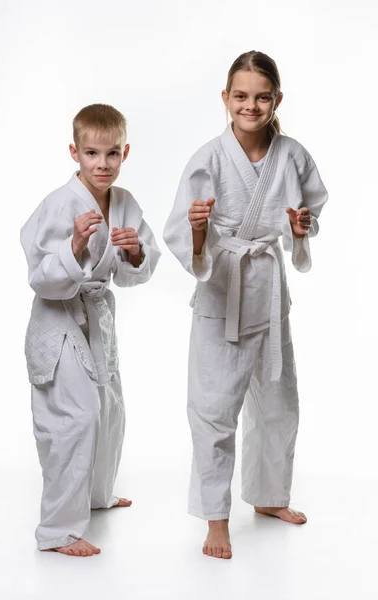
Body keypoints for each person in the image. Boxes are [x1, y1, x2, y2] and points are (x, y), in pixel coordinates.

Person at [163, 51, 328, 560]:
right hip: (223, 291)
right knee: (215, 409)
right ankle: (216, 519)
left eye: (261, 96)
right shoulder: (208, 158)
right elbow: (180, 231)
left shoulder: (293, 154)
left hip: (268, 291)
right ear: (225, 99)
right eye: (241, 96)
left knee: (278, 401)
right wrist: (196, 230)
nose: (251, 105)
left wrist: (302, 228)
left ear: (277, 99)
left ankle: (269, 497)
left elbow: (311, 211)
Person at [21, 103, 161, 557]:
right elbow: (39, 276)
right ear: (74, 153)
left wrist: (136, 251)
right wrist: (73, 246)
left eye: (112, 154)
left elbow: (133, 270)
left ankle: (97, 496)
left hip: (97, 318)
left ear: (125, 153)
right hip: (59, 320)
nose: (102, 164)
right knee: (75, 418)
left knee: (109, 409)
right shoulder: (59, 203)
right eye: (92, 154)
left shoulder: (125, 203)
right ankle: (57, 530)